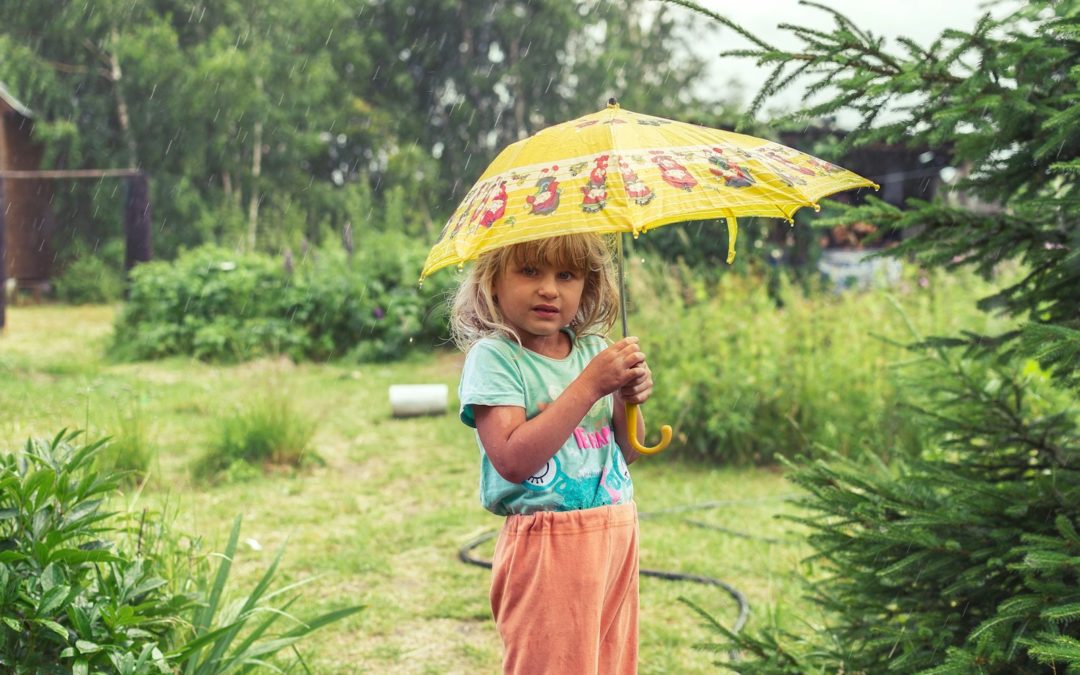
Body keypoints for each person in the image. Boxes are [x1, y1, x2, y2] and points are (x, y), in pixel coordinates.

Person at [451, 232, 653, 675]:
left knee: (610, 664)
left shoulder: (593, 351)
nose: (549, 288)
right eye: (529, 271)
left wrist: (626, 398)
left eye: (566, 274)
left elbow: (623, 452)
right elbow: (512, 459)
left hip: (616, 533)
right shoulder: (497, 358)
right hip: (548, 545)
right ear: (493, 283)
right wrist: (590, 386)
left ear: (587, 284)